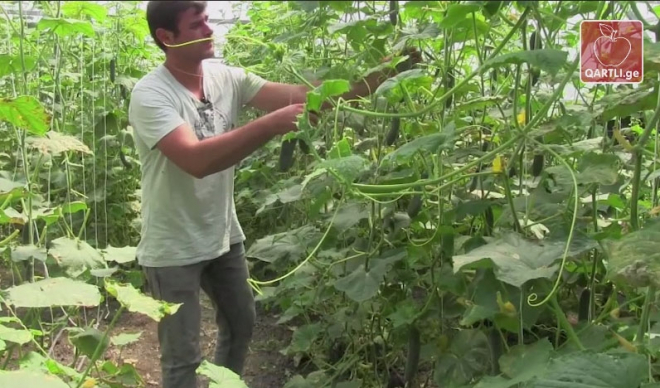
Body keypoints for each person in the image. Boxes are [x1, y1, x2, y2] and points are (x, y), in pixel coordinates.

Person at [128, 1, 421, 387]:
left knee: (241, 323)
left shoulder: (225, 77)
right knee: (183, 359)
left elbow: (305, 94)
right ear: (167, 38)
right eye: (197, 25)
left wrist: (381, 74)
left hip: (221, 234)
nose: (210, 29)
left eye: (208, 20)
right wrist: (270, 125)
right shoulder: (150, 95)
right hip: (172, 246)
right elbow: (196, 160)